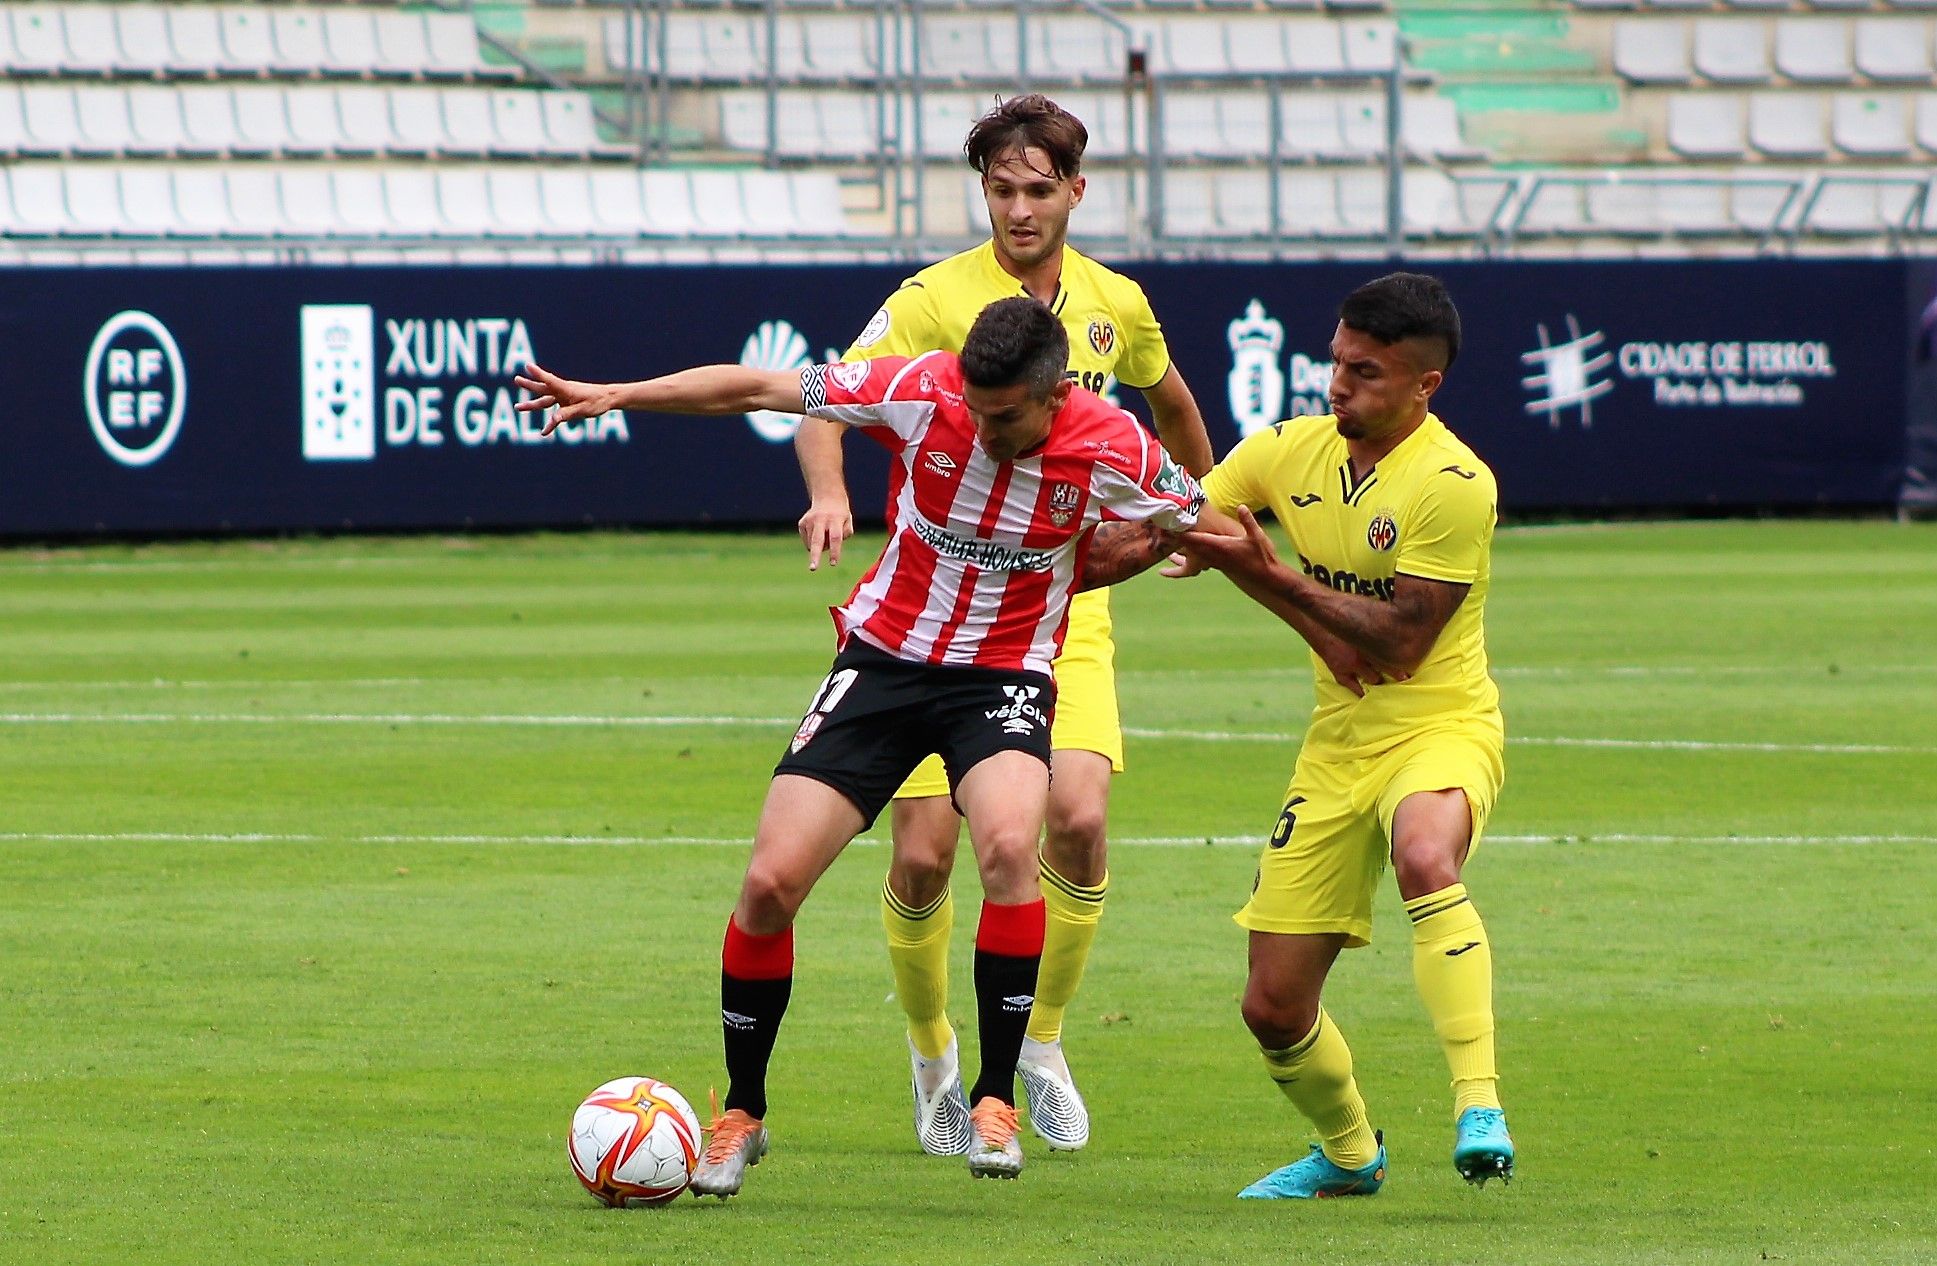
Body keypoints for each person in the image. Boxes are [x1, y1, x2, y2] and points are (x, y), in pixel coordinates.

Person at [513, 297, 1235, 1194]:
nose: (978, 424)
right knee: (770, 882)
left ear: (1053, 398)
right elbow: (759, 388)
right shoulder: (923, 389)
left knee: (1012, 844)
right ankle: (742, 1111)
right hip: (883, 664)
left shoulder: (1112, 445)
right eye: (972, 404)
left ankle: (995, 1099)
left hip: (1002, 676)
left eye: (1002, 413)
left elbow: (1207, 522)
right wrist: (617, 393)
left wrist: (1101, 565)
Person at [795, 93, 1215, 1157]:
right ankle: (934, 1051)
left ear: (1075, 191)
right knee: (927, 854)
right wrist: (833, 493)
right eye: (999, 190)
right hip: (936, 610)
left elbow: (1165, 400)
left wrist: (1195, 511)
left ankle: (1035, 1045)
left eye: (1037, 190)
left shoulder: (1114, 302)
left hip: (1063, 607)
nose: (1018, 210)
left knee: (1073, 823)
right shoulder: (934, 300)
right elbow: (815, 397)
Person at [1093, 272, 1515, 1198]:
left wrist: (1266, 575)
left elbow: (1400, 644)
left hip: (1439, 723)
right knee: (1273, 1004)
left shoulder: (1455, 484)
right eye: (1334, 361)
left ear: (1421, 386)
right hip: (1336, 746)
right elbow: (1173, 524)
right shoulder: (1287, 451)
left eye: (1363, 372)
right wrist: (1057, 568)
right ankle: (1350, 1154)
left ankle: (1477, 1104)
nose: (1336, 384)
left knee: (1425, 856)